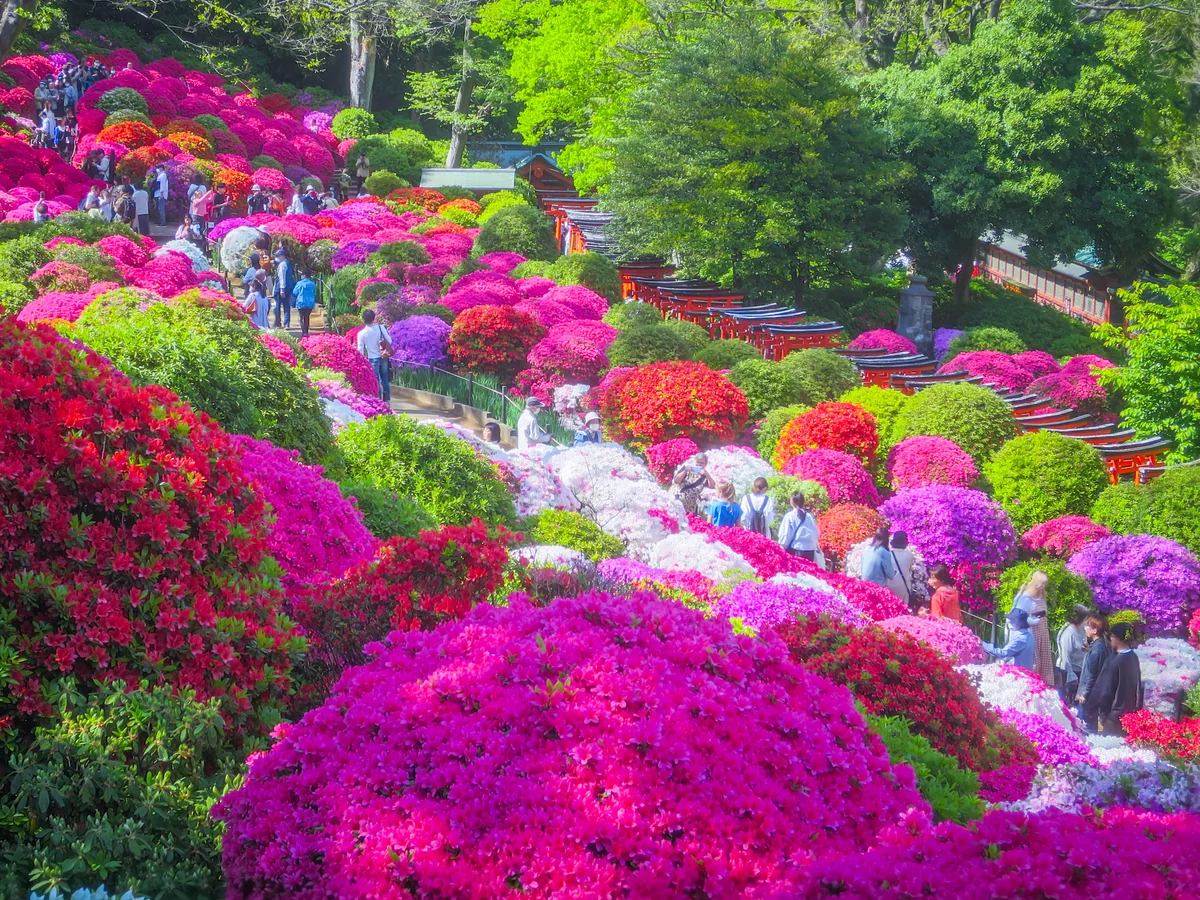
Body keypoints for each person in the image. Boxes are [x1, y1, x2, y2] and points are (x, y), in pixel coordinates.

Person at [1095, 622, 1144, 737]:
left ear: (1118, 639)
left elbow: (1108, 692)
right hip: (1129, 714)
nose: (1110, 640)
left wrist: (1102, 715)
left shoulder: (1115, 662)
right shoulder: (1133, 657)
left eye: (1111, 636)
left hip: (1114, 717)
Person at [1011, 571, 1055, 687]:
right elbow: (1017, 617)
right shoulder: (1025, 598)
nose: (1044, 587)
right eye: (1043, 584)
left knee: (1043, 662)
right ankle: (1030, 686)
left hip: (1042, 633)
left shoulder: (1041, 596)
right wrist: (1030, 620)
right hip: (1031, 633)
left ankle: (1042, 687)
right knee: (1034, 662)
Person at [1076, 615, 1113, 733]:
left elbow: (1092, 675)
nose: (1085, 628)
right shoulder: (1102, 644)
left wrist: (1084, 694)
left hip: (1090, 694)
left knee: (1085, 725)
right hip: (1096, 692)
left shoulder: (1097, 649)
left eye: (1088, 626)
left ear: (1095, 630)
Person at [356, 308, 393, 403]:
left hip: (372, 359)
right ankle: (387, 400)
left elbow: (360, 350)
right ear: (374, 318)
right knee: (384, 379)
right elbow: (390, 341)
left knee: (375, 381)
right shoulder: (381, 328)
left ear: (363, 319)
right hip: (383, 356)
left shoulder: (361, 334)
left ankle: (379, 401)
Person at [1056, 604, 1090, 703]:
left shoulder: (1081, 629)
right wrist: (1071, 676)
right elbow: (1065, 656)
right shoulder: (1069, 633)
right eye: (1086, 618)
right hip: (1068, 671)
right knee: (1069, 702)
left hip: (1080, 669)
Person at [777, 492, 819, 560]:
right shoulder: (809, 516)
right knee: (808, 570)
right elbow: (815, 533)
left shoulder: (790, 516)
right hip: (810, 551)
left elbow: (785, 534)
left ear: (792, 501)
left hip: (796, 549)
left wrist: (782, 546)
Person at [886, 531, 918, 605]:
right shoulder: (909, 555)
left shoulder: (887, 555)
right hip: (903, 586)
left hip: (889, 586)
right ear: (905, 543)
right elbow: (909, 569)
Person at [273, 248, 295, 329]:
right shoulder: (288, 263)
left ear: (282, 256)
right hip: (288, 288)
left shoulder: (282, 265)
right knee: (286, 306)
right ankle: (286, 323)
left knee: (278, 306)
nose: (277, 258)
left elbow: (282, 277)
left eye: (278, 256)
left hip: (281, 288)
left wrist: (282, 289)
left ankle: (278, 322)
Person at [292, 267, 317, 338]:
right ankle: (306, 331)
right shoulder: (312, 284)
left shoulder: (299, 283)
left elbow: (294, 292)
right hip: (310, 303)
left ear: (304, 275)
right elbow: (314, 292)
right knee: (307, 317)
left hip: (301, 302)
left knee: (301, 318)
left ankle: (304, 332)